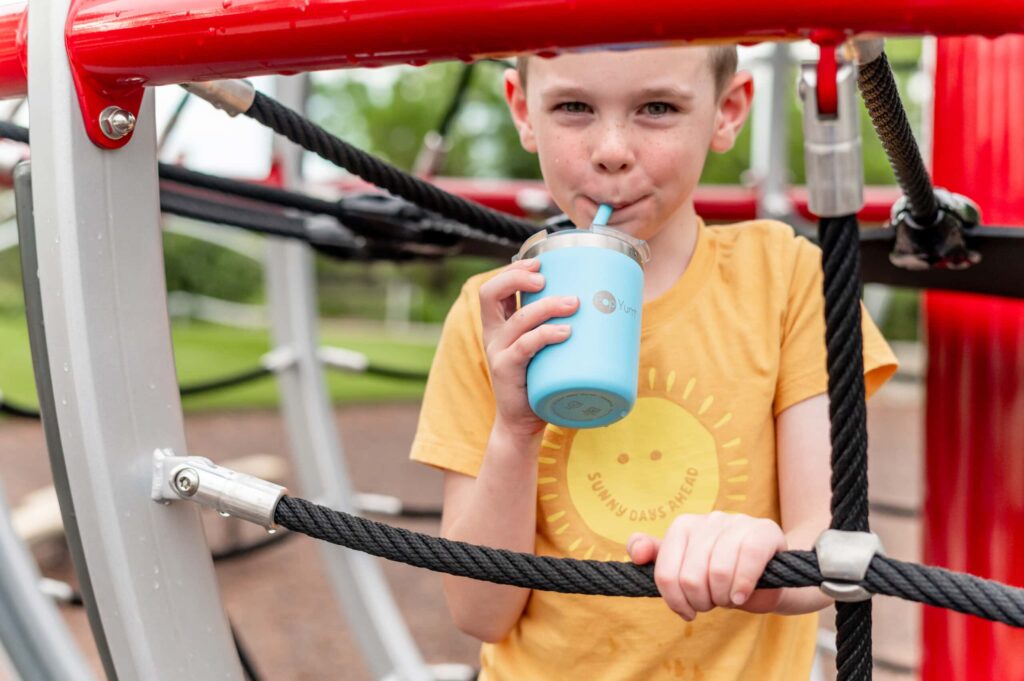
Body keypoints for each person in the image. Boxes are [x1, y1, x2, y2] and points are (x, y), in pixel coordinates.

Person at [410, 45, 898, 680]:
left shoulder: (787, 278)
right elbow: (479, 612)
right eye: (574, 107)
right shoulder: (497, 314)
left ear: (727, 111)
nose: (612, 149)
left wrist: (762, 560)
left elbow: (829, 540)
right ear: (524, 111)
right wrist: (515, 431)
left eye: (657, 108)